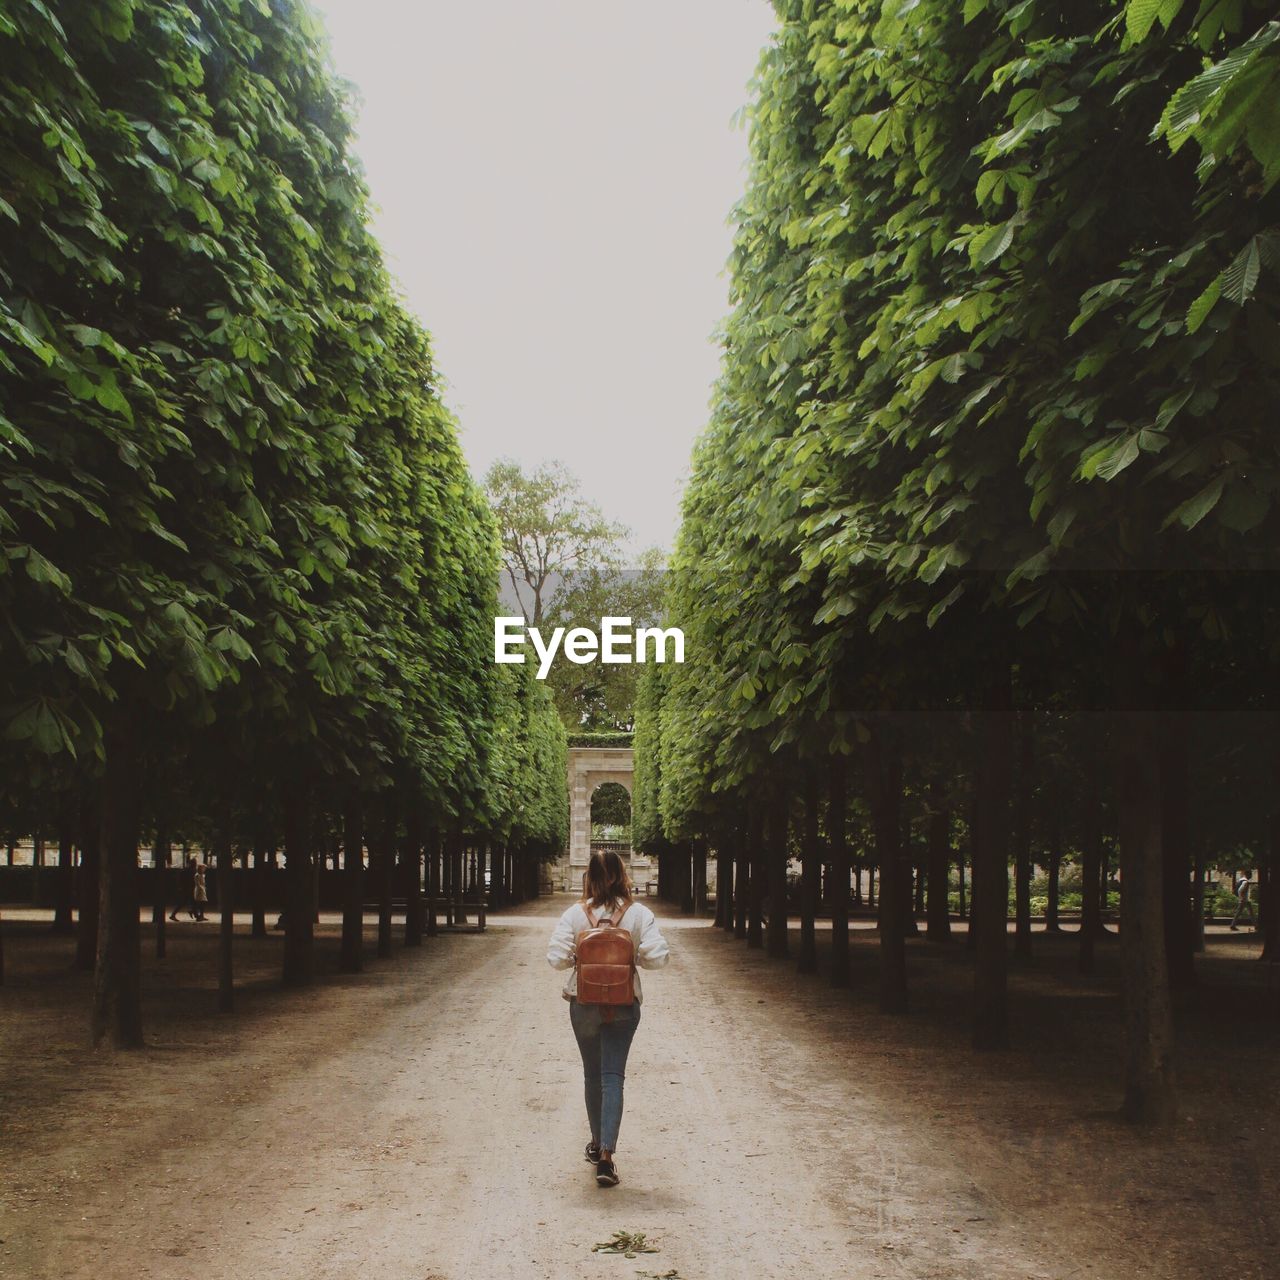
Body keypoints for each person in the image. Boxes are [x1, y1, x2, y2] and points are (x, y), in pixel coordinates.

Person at [546, 850, 668, 1188]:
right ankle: (607, 1158)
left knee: (592, 1074)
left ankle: (597, 1142)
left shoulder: (574, 914)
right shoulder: (639, 914)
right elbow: (659, 958)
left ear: (589, 876)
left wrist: (579, 958)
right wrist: (632, 959)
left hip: (583, 1002)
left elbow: (555, 959)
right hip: (624, 1002)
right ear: (623, 875)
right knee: (613, 1076)